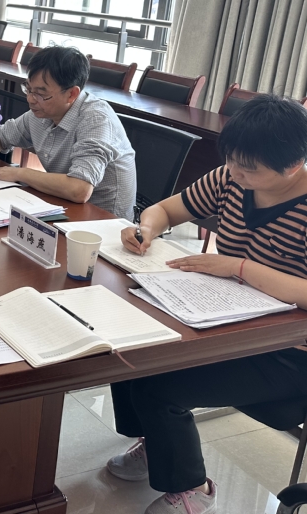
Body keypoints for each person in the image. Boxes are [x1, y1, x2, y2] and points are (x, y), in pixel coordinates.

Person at [105, 95, 307, 514]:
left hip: (288, 351)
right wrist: (146, 228)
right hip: (226, 319)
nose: (235, 172)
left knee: (159, 386)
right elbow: (167, 209)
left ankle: (193, 489)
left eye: (248, 168)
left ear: (293, 166)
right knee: (128, 348)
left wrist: (238, 267)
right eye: (231, 160)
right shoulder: (230, 178)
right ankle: (156, 443)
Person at [0, 46, 136, 219]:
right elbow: (1, 136)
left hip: (104, 221)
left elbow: (80, 189)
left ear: (71, 94)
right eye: (28, 89)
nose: (30, 99)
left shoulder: (96, 120)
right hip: (60, 206)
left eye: (40, 93)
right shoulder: (42, 112)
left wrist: (20, 173)